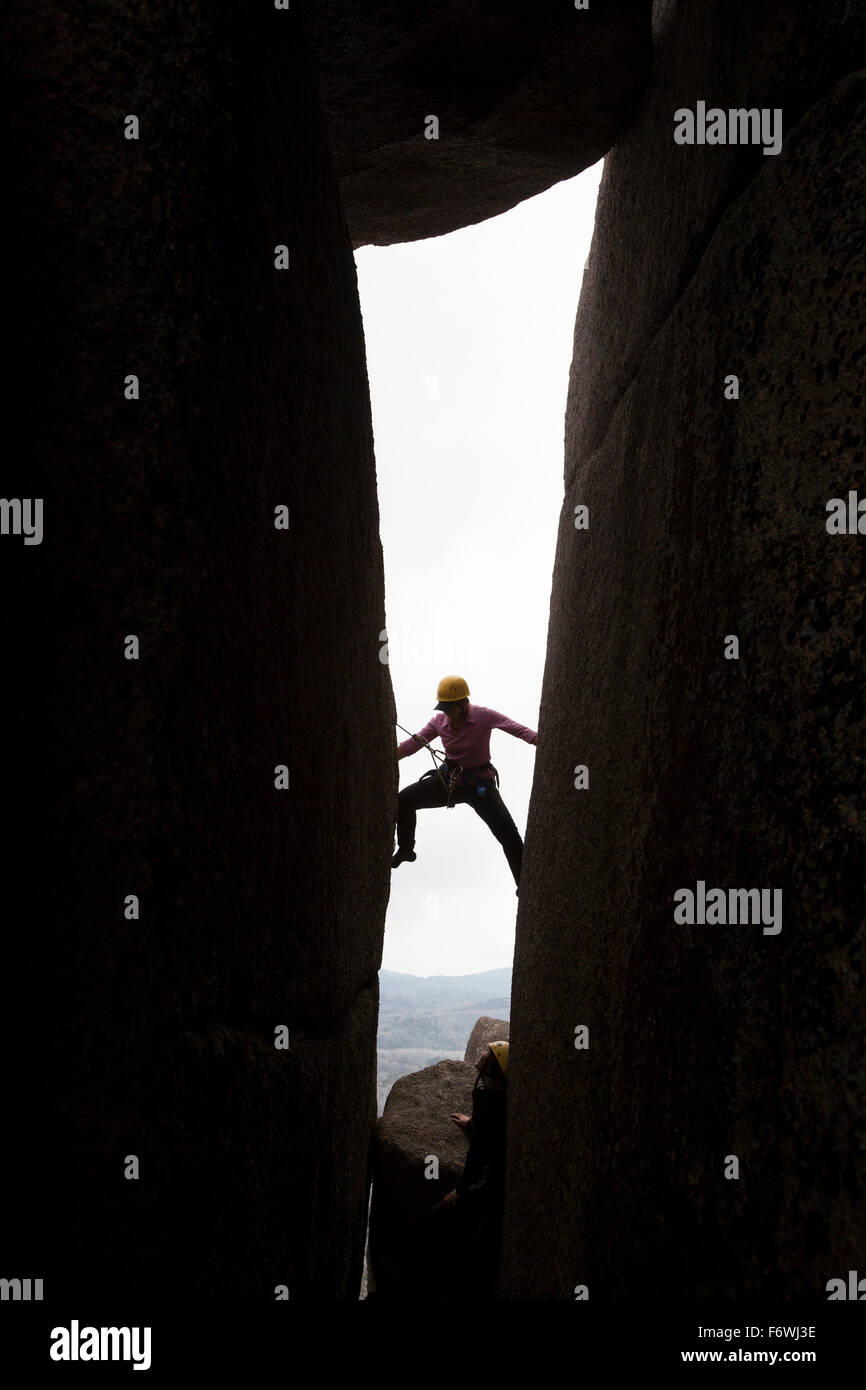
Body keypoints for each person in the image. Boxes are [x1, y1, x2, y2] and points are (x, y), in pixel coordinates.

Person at [392, 676, 537, 891]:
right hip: (450, 781)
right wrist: (390, 755)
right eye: (444, 708)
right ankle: (406, 850)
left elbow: (516, 728)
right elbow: (415, 744)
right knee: (404, 800)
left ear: (463, 704)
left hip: (480, 787)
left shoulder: (483, 716)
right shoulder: (439, 722)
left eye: (450, 708)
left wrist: (541, 741)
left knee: (509, 836)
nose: (446, 713)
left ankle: (524, 886)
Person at [424, 1041, 509, 1298]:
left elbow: (479, 1152)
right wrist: (473, 1122)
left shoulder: (489, 1098)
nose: (481, 1053)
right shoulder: (494, 1095)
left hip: (488, 1185)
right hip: (493, 1181)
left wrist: (461, 1191)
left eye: (487, 1052)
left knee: (436, 1218)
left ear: (492, 1067)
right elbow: (489, 1129)